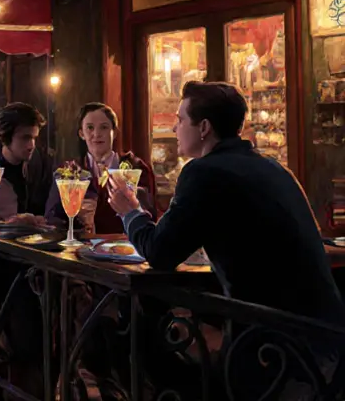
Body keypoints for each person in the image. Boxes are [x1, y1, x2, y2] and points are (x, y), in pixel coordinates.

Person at [110, 81, 345, 323]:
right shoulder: (273, 166)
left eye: (180, 120)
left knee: (139, 321)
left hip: (277, 335)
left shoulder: (204, 172)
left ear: (204, 127)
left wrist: (130, 211)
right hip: (326, 327)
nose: (173, 128)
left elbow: (159, 252)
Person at [45, 102, 155, 234]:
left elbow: (150, 216)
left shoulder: (136, 168)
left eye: (104, 127)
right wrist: (76, 220)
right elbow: (51, 218)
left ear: (114, 132)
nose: (97, 134)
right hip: (83, 244)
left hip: (125, 243)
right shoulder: (68, 171)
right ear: (81, 133)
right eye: (90, 128)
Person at [0, 102, 53, 222]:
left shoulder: (40, 164)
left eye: (34, 138)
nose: (31, 145)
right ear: (6, 137)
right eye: (25, 138)